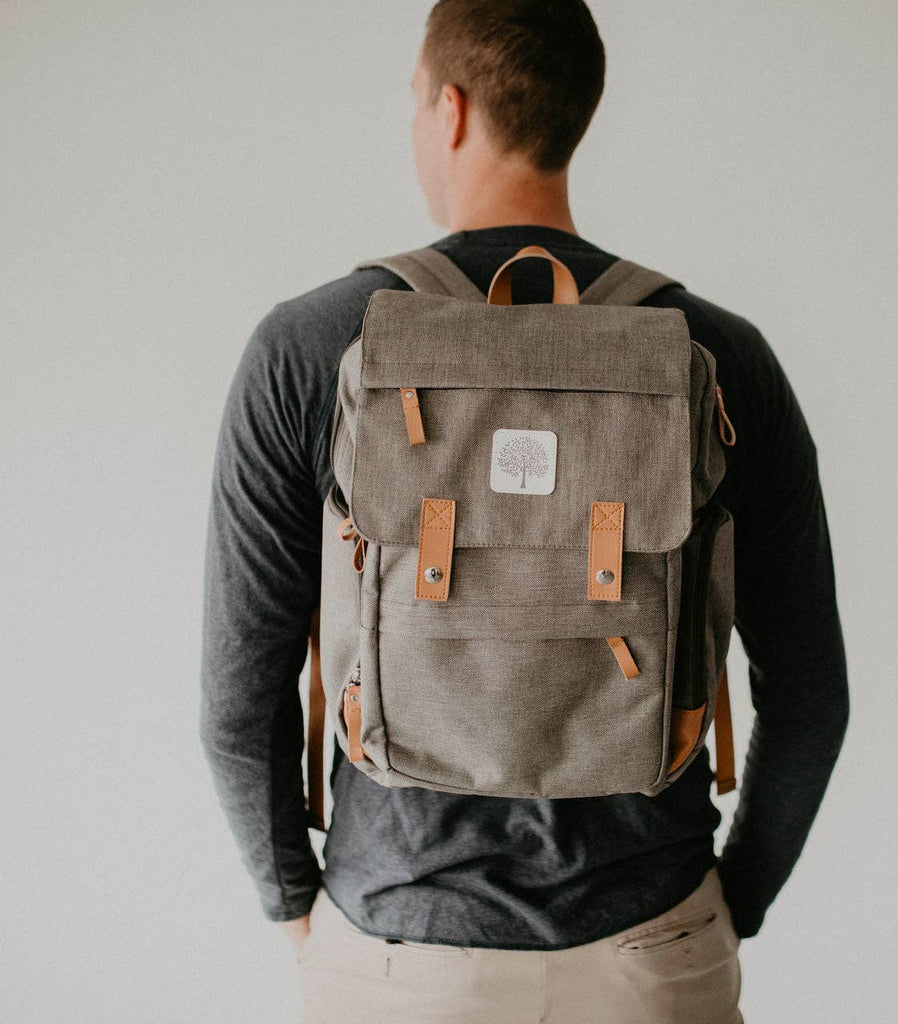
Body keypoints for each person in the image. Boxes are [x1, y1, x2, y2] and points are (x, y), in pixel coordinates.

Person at [199, 2, 850, 1021]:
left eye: (414, 103)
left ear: (449, 109)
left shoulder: (307, 346)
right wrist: (725, 908)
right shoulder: (720, 355)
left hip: (393, 952)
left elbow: (238, 702)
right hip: (652, 952)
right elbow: (811, 696)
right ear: (573, 112)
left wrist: (301, 913)